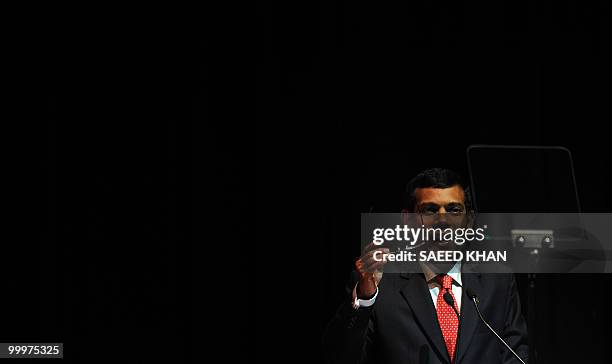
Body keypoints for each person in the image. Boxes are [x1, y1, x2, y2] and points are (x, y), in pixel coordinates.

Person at [323, 168, 528, 364]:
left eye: (454, 210)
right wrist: (366, 299)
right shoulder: (379, 282)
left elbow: (515, 353)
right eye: (430, 210)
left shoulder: (497, 279)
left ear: (469, 220)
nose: (443, 220)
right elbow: (340, 357)